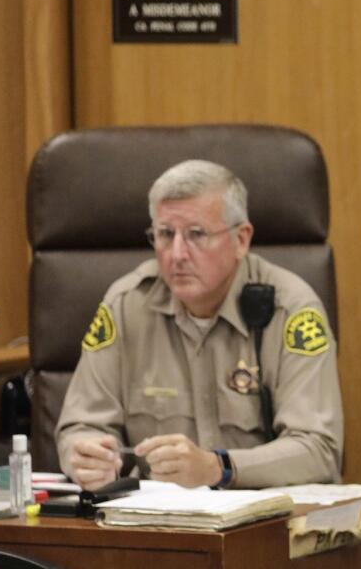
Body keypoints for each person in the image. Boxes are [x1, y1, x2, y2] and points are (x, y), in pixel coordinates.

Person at [56, 160, 342, 491]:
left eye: (196, 234)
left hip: (264, 526)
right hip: (155, 523)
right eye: (165, 234)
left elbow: (319, 450)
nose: (177, 254)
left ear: (241, 239)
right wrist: (88, 459)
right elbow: (78, 428)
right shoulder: (126, 305)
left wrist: (218, 467)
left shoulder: (291, 310)